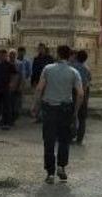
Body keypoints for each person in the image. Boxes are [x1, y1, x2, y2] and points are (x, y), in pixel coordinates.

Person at [31, 45, 84, 184]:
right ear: (69, 55)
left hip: (49, 109)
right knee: (64, 140)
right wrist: (76, 111)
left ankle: (50, 173)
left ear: (58, 54)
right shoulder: (74, 72)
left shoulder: (48, 69)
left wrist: (35, 106)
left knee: (49, 141)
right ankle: (61, 166)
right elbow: (80, 94)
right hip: (66, 109)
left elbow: (39, 89)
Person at [0, 49, 17, 129]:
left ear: (6, 56)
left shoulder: (10, 65)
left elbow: (14, 75)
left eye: (4, 55)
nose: (2, 57)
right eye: (1, 55)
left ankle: (6, 123)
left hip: (6, 88)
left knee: (6, 106)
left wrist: (12, 84)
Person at [70, 50, 91, 144]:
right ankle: (79, 138)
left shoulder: (72, 67)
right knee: (82, 118)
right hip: (83, 93)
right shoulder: (86, 68)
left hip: (73, 92)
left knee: (71, 115)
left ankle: (70, 136)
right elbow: (88, 81)